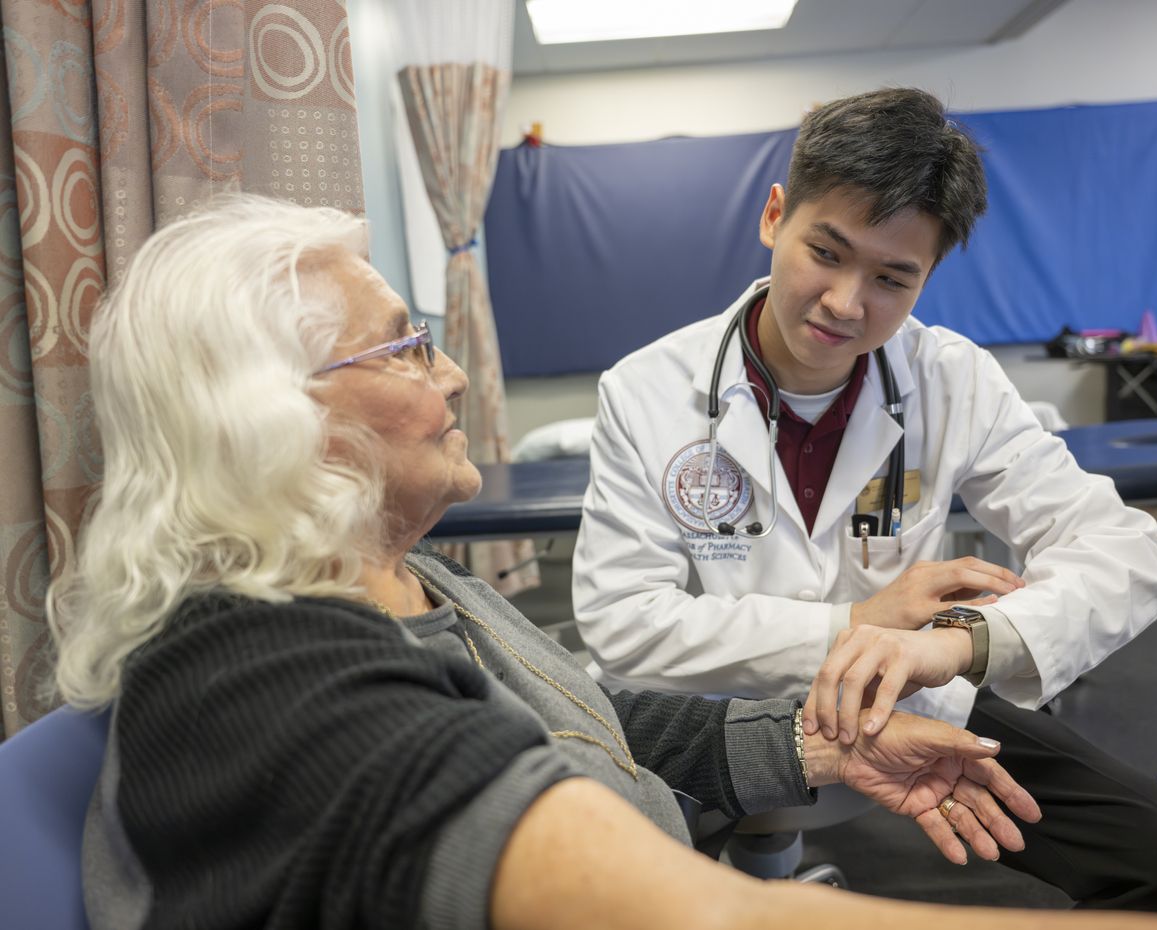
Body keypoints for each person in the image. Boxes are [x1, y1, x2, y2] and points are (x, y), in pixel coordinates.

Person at [48, 195, 1067, 930]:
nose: (450, 375)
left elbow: (579, 715)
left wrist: (815, 748)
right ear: (275, 421)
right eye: (403, 350)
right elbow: (697, 916)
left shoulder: (414, 582)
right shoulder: (250, 674)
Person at [572, 88, 1157, 916]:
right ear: (776, 216)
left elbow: (1126, 553)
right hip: (708, 720)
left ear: (930, 277)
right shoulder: (646, 389)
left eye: (891, 278)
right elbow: (621, 621)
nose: (847, 303)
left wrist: (958, 644)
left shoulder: (951, 379)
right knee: (599, 895)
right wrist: (854, 625)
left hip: (903, 706)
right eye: (827, 251)